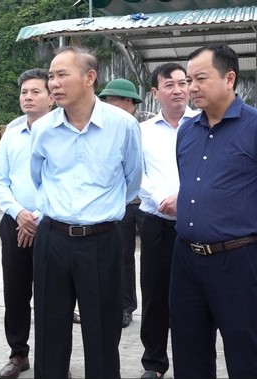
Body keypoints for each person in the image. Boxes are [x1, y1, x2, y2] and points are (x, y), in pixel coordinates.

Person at [172, 43, 257, 378]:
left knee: (246, 354)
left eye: (200, 78)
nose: (191, 87)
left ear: (229, 78)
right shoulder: (187, 130)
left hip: (238, 261)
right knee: (189, 353)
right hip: (185, 260)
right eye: (188, 79)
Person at [30, 45, 142, 378]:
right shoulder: (43, 129)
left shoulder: (122, 126)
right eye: (51, 76)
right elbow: (38, 178)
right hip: (52, 239)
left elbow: (131, 182)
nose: (54, 84)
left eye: (62, 74)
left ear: (89, 77)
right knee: (50, 332)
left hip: (102, 241)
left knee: (103, 334)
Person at [137, 63, 198, 379]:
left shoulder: (203, 125)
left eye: (183, 82)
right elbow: (136, 174)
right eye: (170, 84)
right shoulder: (143, 132)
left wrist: (185, 198)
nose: (178, 89)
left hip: (198, 226)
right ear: (155, 93)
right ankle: (154, 364)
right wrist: (162, 198)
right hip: (157, 224)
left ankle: (191, 363)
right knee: (155, 295)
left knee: (193, 297)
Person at [0, 68, 53, 379]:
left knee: (52, 295)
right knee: (15, 292)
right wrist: (19, 214)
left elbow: (63, 181)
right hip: (14, 223)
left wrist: (38, 217)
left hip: (51, 224)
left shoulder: (62, 133)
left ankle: (53, 359)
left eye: (35, 92)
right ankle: (18, 354)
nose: (28, 97)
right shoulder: (11, 136)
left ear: (51, 97)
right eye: (24, 92)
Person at [98, 77, 153, 328]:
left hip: (153, 203)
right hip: (125, 203)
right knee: (122, 256)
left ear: (130, 102)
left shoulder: (150, 123)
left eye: (113, 100)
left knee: (155, 259)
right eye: (106, 100)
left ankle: (163, 309)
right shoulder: (106, 125)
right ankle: (125, 305)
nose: (108, 104)